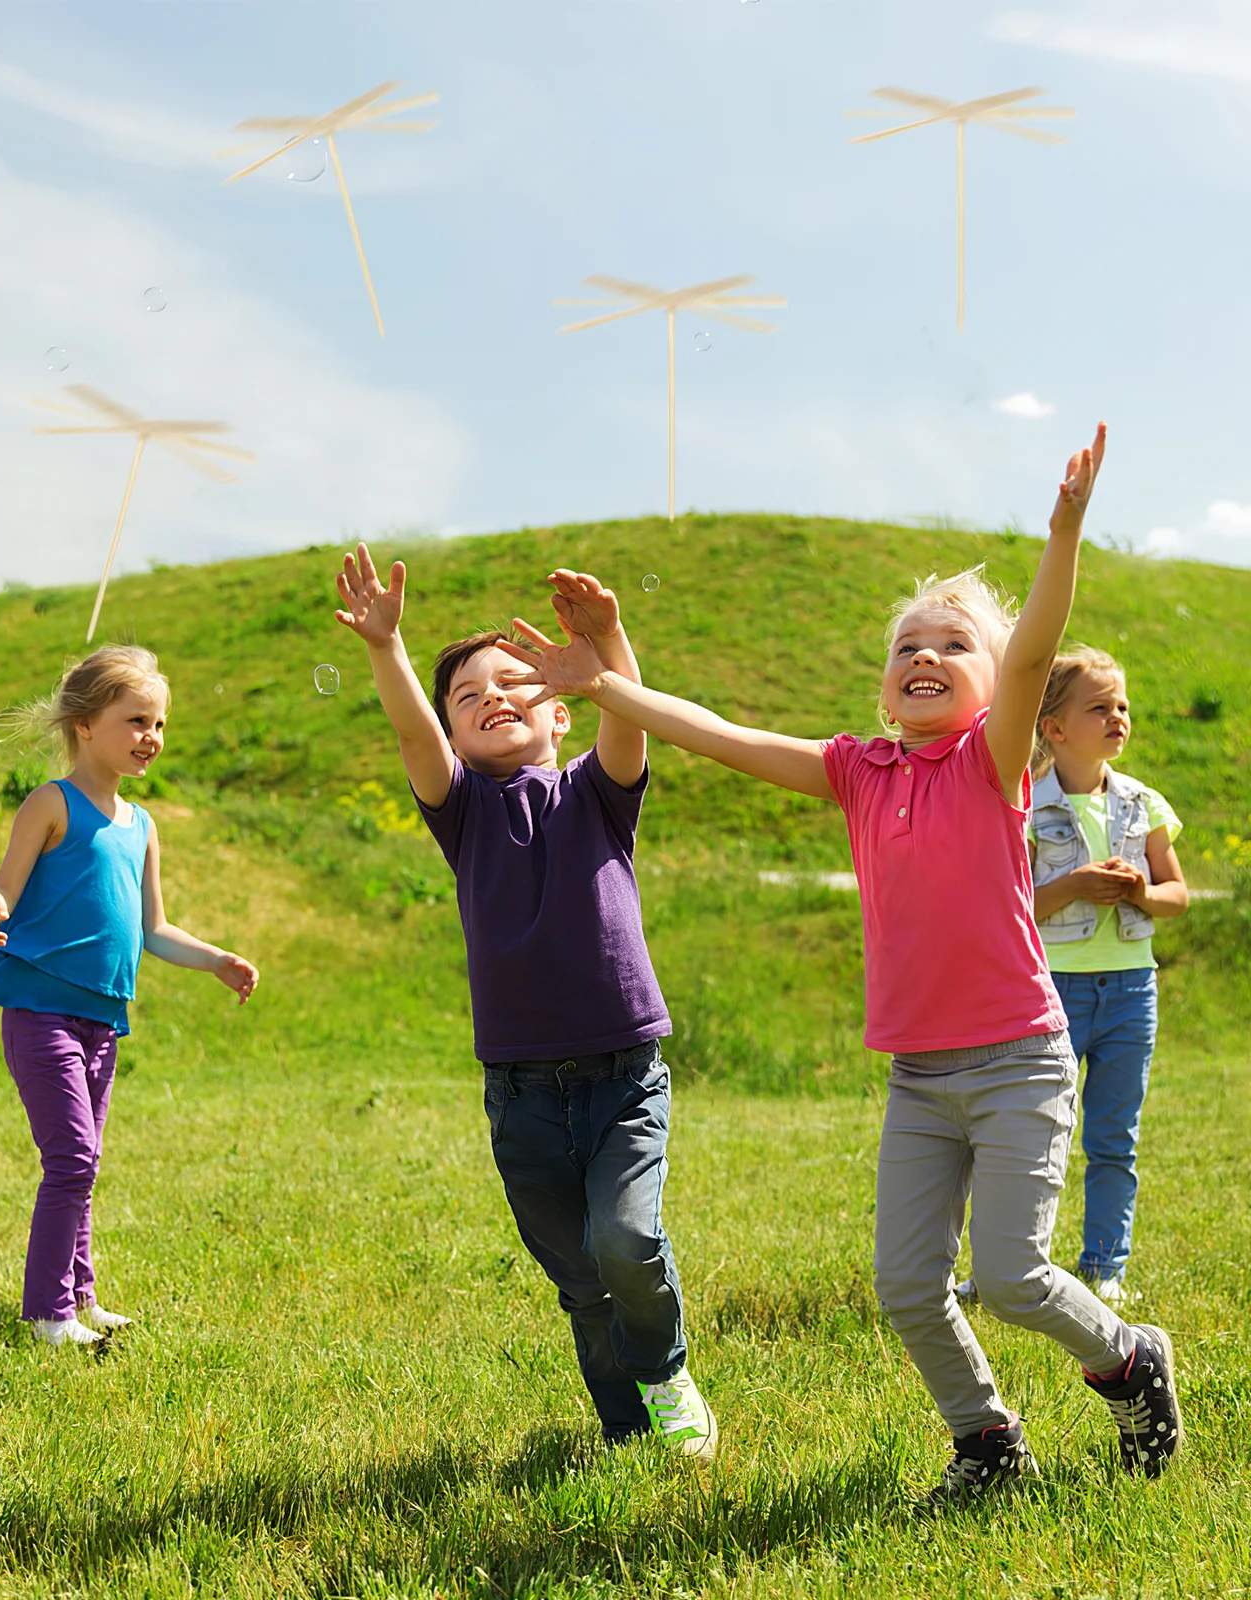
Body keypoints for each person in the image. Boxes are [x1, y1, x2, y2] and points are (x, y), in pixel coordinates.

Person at [500, 425, 1185, 1497]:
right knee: (909, 1285)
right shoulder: (856, 771)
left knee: (1008, 1275)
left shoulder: (993, 759)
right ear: (881, 683)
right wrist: (605, 681)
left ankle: (1130, 1358)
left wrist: (1062, 535)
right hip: (919, 1076)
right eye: (907, 643)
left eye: (953, 644)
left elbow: (1037, 649)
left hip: (1016, 1062)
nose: (924, 655)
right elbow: (715, 731)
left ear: (992, 681)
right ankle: (986, 1442)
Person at [332, 544, 715, 1458]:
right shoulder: (460, 810)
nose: (493, 697)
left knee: (625, 1242)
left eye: (516, 680)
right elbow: (413, 737)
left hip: (624, 1076)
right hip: (521, 1093)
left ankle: (664, 1375)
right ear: (455, 732)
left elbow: (629, 725)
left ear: (559, 706)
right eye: (467, 696)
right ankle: (625, 1429)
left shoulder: (596, 790)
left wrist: (609, 647)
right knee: (580, 1277)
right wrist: (387, 648)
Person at [0, 646, 258, 1347]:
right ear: (84, 724)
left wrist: (216, 959)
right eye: (135, 720)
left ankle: (80, 1298)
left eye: (158, 724)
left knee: (85, 1161)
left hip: (102, 1020)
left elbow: (154, 929)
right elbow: (4, 883)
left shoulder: (143, 826)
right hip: (41, 1013)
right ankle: (46, 1313)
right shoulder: (51, 803)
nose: (150, 737)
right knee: (71, 1157)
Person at [1020, 647, 1187, 1298]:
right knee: (1032, 1141)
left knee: (1115, 1135)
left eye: (1123, 705)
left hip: (1130, 991)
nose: (1118, 716)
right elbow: (1015, 906)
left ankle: (1105, 1269)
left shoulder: (1144, 803)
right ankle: (1015, 1267)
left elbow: (1178, 895)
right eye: (1099, 706)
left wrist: (1142, 891)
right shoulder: (1025, 806)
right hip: (1050, 992)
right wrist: (1075, 884)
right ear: (1055, 728)